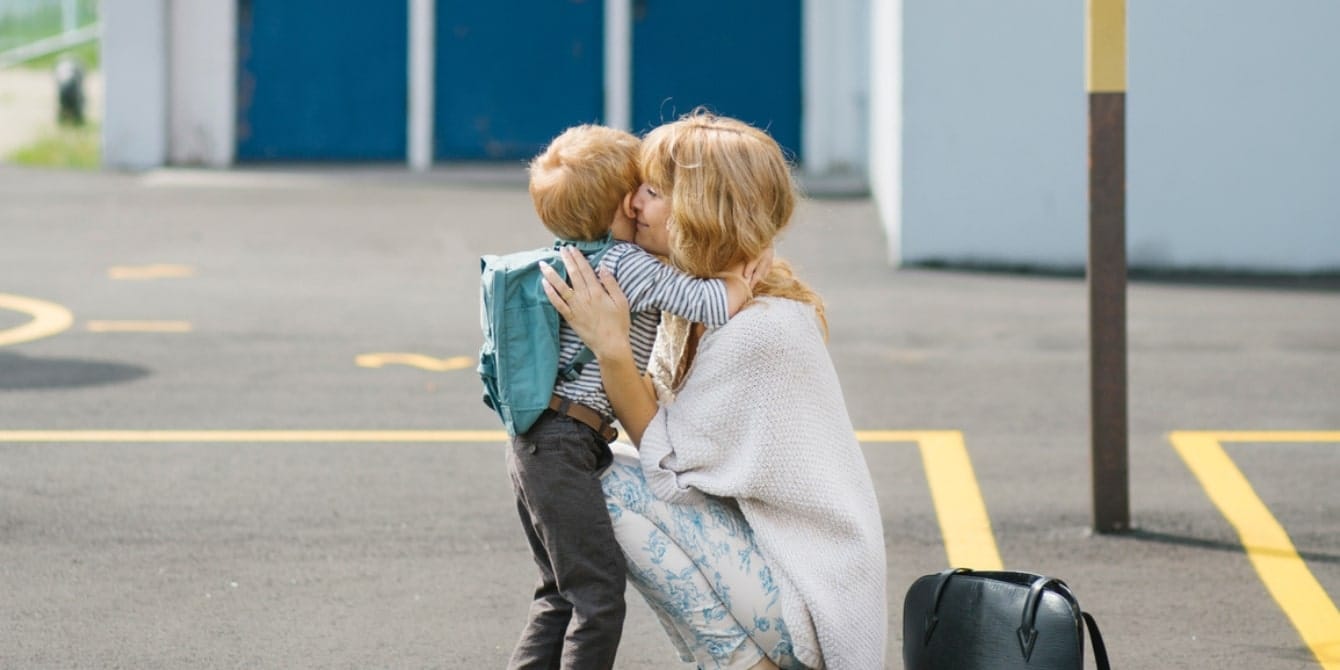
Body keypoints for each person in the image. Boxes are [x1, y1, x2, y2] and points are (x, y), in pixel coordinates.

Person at [541, 111, 888, 670]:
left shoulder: (759, 329)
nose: (632, 205)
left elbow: (670, 467)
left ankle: (747, 666)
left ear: (701, 211)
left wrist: (609, 348)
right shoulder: (699, 304)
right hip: (771, 559)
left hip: (807, 590)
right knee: (587, 474)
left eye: (651, 192)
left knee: (594, 484)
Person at [502, 124, 756, 670]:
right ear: (624, 201)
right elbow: (707, 303)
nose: (645, 198)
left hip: (537, 444)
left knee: (557, 590)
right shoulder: (627, 265)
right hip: (568, 444)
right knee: (597, 598)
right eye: (641, 186)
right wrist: (743, 278)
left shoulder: (572, 256)